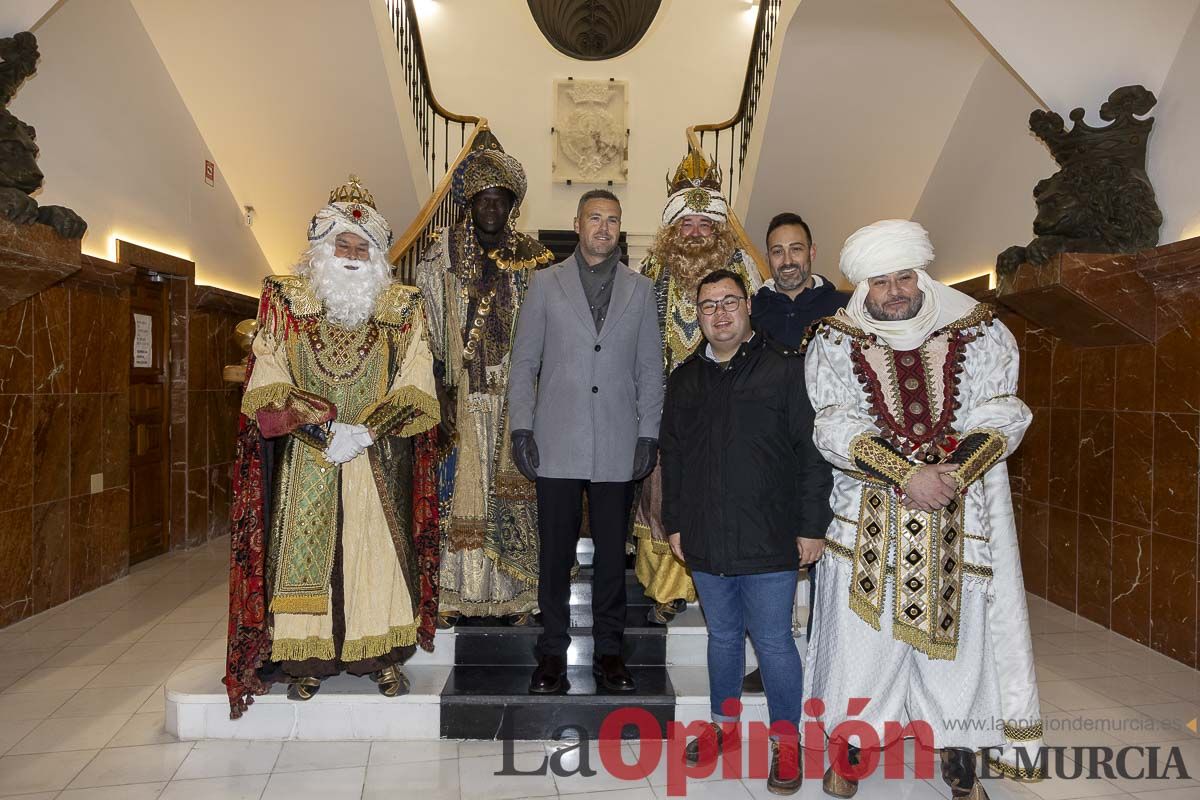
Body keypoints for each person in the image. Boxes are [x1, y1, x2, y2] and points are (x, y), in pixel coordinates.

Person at [803, 220, 1042, 799]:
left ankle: (960, 756)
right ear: (863, 287)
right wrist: (907, 473)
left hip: (960, 520)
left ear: (921, 275)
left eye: (903, 277)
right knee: (862, 647)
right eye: (880, 282)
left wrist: (952, 473)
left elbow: (1003, 410)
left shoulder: (982, 331)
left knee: (958, 654)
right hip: (867, 525)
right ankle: (850, 746)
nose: (894, 292)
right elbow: (833, 422)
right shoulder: (835, 339)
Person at [225, 177, 441, 715]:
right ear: (322, 250)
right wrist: (322, 429)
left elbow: (417, 379)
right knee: (305, 553)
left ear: (376, 255)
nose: (350, 255)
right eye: (341, 244)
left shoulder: (402, 307)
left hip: (378, 452)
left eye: (361, 246)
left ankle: (381, 657)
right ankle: (307, 661)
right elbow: (267, 378)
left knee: (379, 553)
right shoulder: (285, 302)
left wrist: (366, 430)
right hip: (308, 456)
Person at [661, 269, 832, 795]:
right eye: (708, 305)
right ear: (698, 314)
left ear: (748, 308)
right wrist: (674, 523)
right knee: (723, 637)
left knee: (775, 642)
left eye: (729, 302)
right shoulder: (685, 378)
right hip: (707, 534)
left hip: (771, 535)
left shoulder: (785, 370)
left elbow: (812, 455)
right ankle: (724, 726)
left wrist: (811, 526)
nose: (719, 313)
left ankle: (786, 740)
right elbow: (675, 457)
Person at [507, 189, 664, 694]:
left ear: (621, 228)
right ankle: (551, 653)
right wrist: (521, 427)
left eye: (613, 220)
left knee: (611, 561)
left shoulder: (641, 291)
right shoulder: (544, 284)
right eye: (594, 218)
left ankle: (610, 655)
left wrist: (648, 433)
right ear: (577, 224)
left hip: (619, 442)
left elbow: (649, 368)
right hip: (556, 441)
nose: (603, 228)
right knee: (555, 554)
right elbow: (525, 362)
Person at [414, 145, 553, 627]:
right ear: (468, 204)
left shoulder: (532, 258)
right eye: (482, 199)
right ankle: (455, 594)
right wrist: (440, 388)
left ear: (513, 204)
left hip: (514, 397)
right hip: (462, 394)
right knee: (458, 494)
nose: (491, 208)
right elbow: (429, 325)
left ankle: (516, 595)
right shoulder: (441, 255)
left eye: (500, 199)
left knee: (514, 496)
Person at [634, 150, 763, 625]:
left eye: (703, 225)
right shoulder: (651, 274)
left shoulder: (744, 273)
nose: (694, 234)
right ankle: (667, 589)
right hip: (669, 411)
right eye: (685, 225)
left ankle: (719, 585)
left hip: (729, 410)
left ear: (718, 230)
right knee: (665, 497)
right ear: (672, 231)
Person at [743, 212, 849, 694]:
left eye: (796, 249)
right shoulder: (753, 309)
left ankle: (830, 664)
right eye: (778, 251)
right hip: (768, 456)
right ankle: (774, 659)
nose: (787, 260)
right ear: (769, 257)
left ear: (812, 251)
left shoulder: (846, 307)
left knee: (831, 561)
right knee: (774, 562)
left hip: (834, 456)